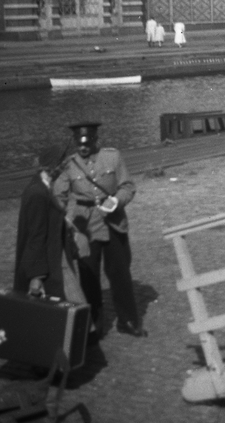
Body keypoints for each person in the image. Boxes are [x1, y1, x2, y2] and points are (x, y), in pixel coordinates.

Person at [54, 122, 146, 338]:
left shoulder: (112, 157)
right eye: (79, 144)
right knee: (89, 277)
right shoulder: (69, 164)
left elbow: (128, 186)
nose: (83, 148)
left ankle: (128, 320)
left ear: (96, 140)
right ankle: (94, 326)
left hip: (113, 221)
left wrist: (117, 201)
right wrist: (66, 219)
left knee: (120, 274)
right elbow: (59, 195)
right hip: (85, 226)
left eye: (87, 143)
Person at [15, 145, 87, 308]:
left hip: (55, 255)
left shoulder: (44, 188)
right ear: (51, 167)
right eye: (61, 166)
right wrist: (36, 276)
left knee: (69, 304)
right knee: (71, 305)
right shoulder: (38, 194)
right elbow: (36, 236)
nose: (63, 170)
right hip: (50, 260)